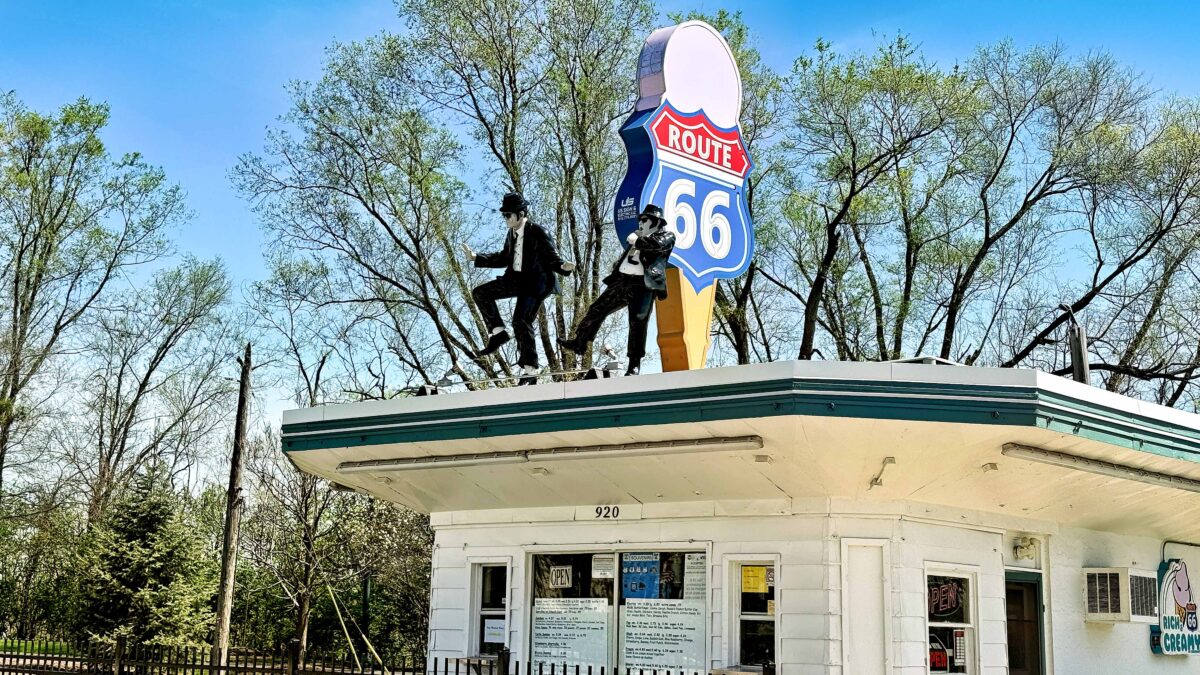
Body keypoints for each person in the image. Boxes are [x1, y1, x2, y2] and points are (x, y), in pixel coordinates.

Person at [464, 192, 575, 385]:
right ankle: (498, 333)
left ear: (520, 214)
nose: (505, 219)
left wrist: (564, 268)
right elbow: (504, 257)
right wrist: (476, 257)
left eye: (508, 215)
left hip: (536, 283)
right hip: (516, 279)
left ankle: (531, 370)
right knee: (480, 292)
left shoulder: (538, 231)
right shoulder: (511, 234)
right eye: (504, 215)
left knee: (521, 320)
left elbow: (552, 257)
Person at [558, 204, 675, 375]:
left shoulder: (666, 236)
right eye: (639, 220)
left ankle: (634, 365)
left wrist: (637, 239)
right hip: (622, 281)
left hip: (643, 285)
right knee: (597, 308)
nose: (640, 223)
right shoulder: (636, 237)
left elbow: (656, 245)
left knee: (638, 322)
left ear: (656, 221)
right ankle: (580, 342)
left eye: (644, 220)